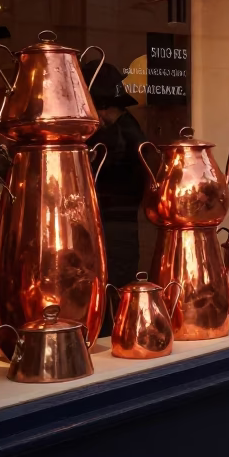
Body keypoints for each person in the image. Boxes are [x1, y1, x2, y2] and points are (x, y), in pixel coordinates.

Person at [84, 61, 150, 298]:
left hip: (114, 227)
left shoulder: (116, 135)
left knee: (111, 293)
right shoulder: (126, 127)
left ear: (101, 106)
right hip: (119, 227)